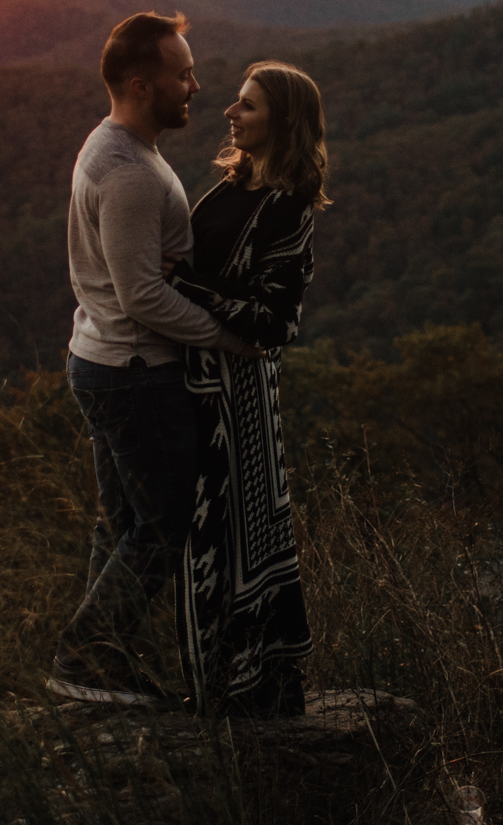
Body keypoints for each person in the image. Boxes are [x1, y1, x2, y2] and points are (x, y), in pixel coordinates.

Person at [46, 12, 255, 706]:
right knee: (165, 525)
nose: (194, 85)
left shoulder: (112, 148)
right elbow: (140, 299)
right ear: (141, 84)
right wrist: (232, 337)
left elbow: (133, 277)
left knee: (124, 525)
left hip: (101, 360)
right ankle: (82, 659)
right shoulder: (129, 171)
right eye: (181, 74)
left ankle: (99, 660)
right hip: (135, 371)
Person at [167, 60, 329, 718]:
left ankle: (253, 684)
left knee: (240, 537)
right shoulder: (229, 186)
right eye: (236, 102)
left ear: (282, 122)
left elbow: (274, 322)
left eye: (248, 106)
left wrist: (177, 288)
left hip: (239, 398)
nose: (230, 113)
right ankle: (217, 682)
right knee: (205, 538)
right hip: (199, 387)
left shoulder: (287, 205)